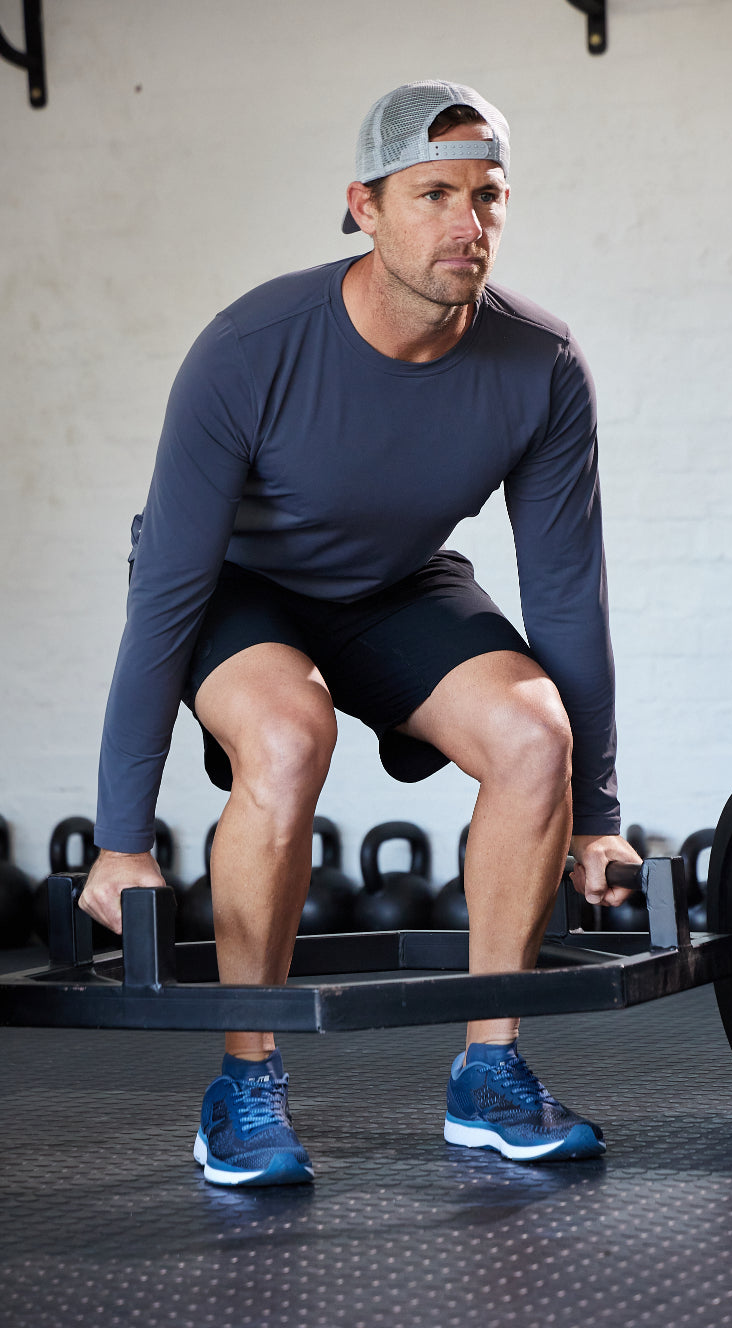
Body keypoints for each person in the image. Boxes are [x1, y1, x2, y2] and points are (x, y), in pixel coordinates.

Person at [80, 79, 642, 1186]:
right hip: (236, 584)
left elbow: (567, 593)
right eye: (433, 193)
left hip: (390, 584)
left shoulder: (540, 364)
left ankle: (490, 1070)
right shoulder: (250, 348)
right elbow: (166, 595)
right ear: (364, 206)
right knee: (288, 736)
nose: (465, 224)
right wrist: (121, 836)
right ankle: (244, 1081)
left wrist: (601, 818)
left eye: (487, 196)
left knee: (535, 739)